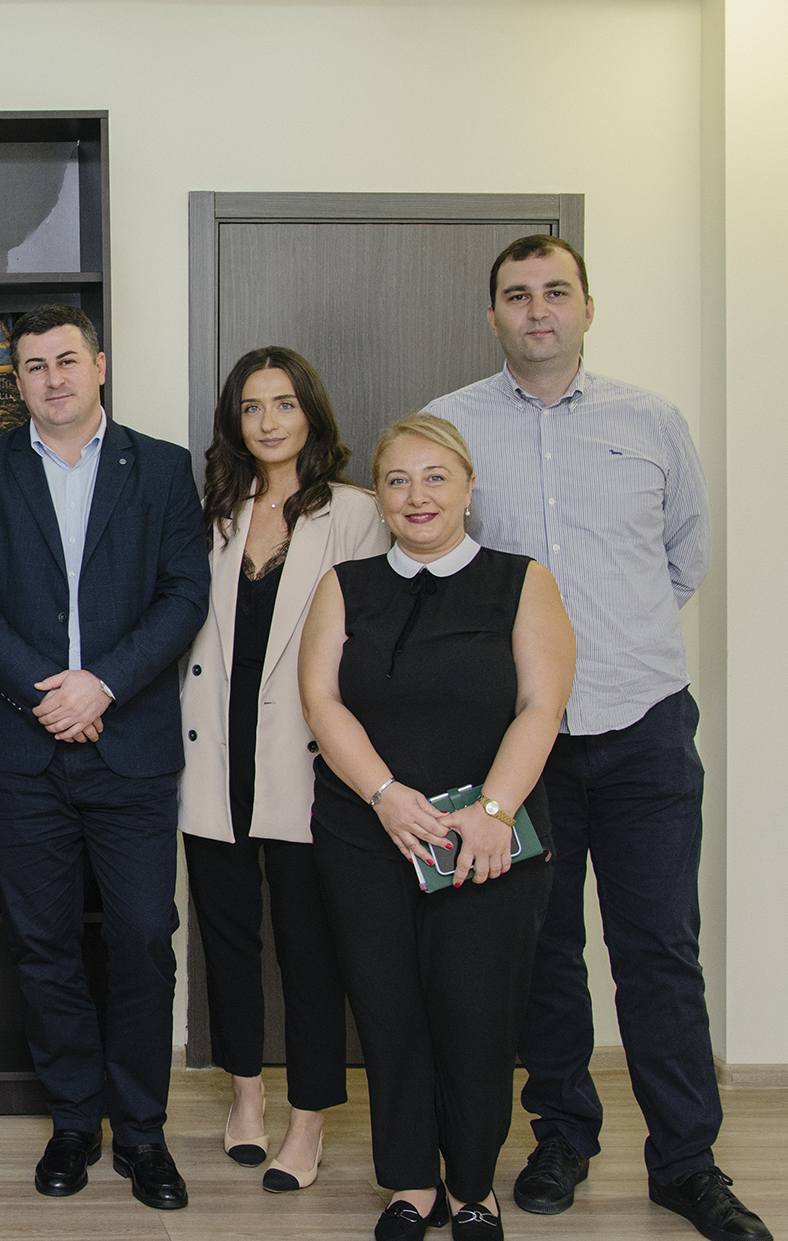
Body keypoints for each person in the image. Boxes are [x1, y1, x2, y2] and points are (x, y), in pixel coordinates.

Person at [425, 236, 770, 1241]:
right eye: (516, 295)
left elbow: (683, 556)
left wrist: (608, 645)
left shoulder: (650, 421)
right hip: (517, 746)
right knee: (542, 949)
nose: (537, 310)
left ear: (585, 306)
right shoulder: (452, 423)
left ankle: (687, 1162)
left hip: (643, 728)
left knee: (659, 949)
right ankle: (564, 1135)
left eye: (555, 292)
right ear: (492, 314)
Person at [0, 303, 210, 1210]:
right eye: (33, 366)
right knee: (43, 943)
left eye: (66, 360)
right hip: (21, 752)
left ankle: (142, 1131)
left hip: (131, 748)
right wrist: (48, 693)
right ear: (16, 381)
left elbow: (184, 594)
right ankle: (71, 1120)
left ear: (99, 365)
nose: (52, 378)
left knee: (142, 940)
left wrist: (103, 685)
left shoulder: (162, 468)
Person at [300, 414, 574, 1241]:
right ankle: (411, 1184)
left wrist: (492, 812)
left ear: (467, 486)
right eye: (398, 480)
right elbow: (322, 701)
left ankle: (474, 1186)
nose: (417, 496)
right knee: (389, 1013)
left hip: (487, 845)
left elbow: (541, 706)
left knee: (476, 1013)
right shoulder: (345, 584)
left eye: (435, 477)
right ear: (378, 495)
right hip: (366, 834)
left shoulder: (521, 580)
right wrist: (385, 795)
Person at [178, 346, 385, 1192]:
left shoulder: (356, 513)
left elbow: (372, 642)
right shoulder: (214, 512)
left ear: (311, 414)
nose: (268, 421)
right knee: (226, 939)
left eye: (285, 403)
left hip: (308, 760)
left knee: (310, 949)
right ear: (235, 420)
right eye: (252, 406)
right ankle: (246, 1095)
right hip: (214, 754)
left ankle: (308, 1118)